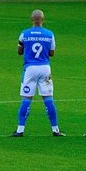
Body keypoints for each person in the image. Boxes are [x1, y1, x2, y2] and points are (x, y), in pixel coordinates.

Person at [12, 9, 63, 137]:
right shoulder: (49, 34)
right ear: (43, 20)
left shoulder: (24, 34)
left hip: (30, 69)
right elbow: (51, 53)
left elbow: (19, 52)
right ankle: (55, 130)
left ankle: (20, 130)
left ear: (31, 19)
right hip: (45, 68)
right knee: (48, 99)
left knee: (26, 99)